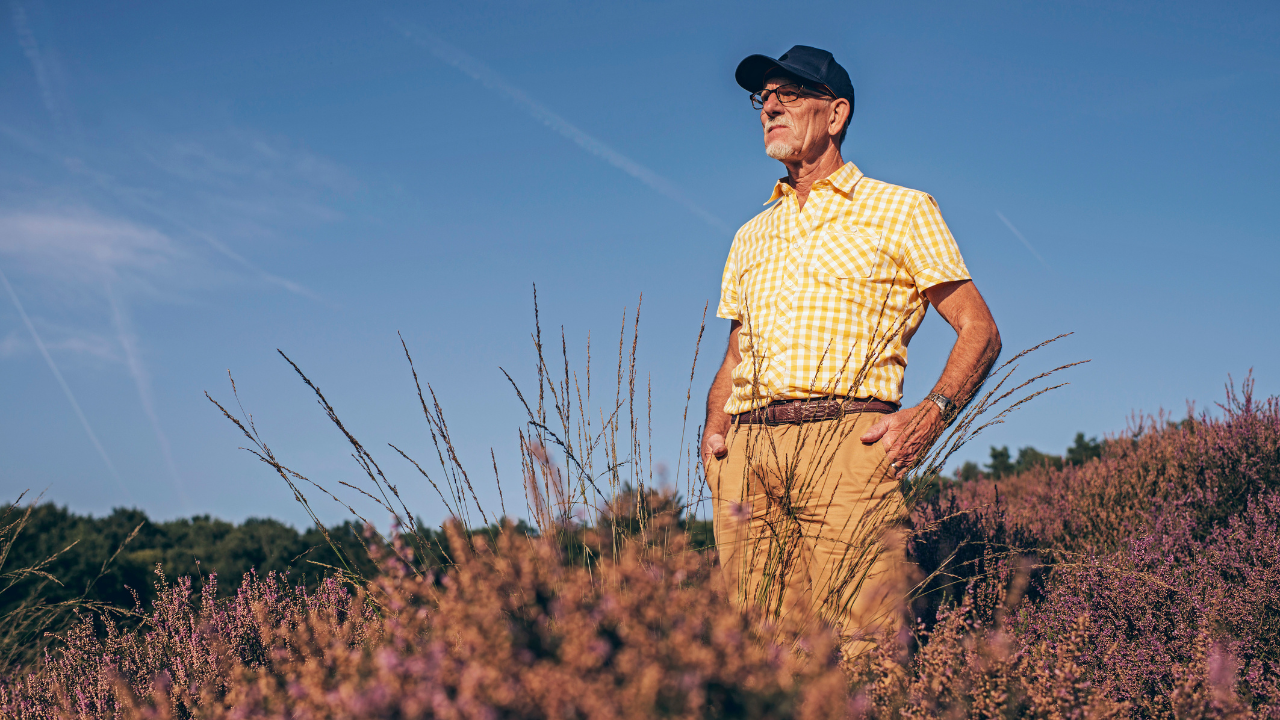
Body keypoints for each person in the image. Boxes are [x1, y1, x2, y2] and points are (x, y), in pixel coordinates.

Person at [701, 45, 1001, 655]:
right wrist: (715, 435)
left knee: (870, 652)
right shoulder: (750, 234)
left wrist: (932, 412)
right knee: (757, 660)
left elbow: (979, 329)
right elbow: (738, 353)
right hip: (746, 460)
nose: (771, 108)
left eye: (789, 95)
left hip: (847, 446)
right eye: (764, 98)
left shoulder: (902, 209)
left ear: (835, 115)